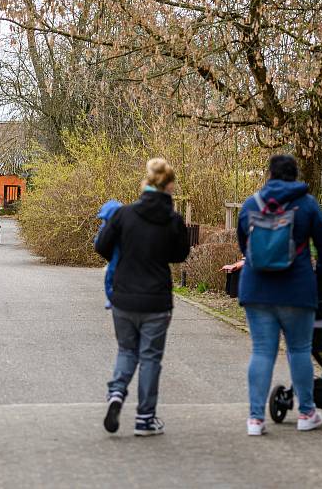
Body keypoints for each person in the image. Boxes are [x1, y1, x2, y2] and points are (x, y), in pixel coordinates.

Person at [237, 154, 322, 436]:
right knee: (300, 349)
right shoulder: (307, 204)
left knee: (261, 351)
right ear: (295, 175)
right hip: (297, 290)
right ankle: (306, 413)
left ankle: (255, 420)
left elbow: (245, 246)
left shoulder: (251, 205)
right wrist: (320, 280)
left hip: (256, 291)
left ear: (270, 174)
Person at [95, 158, 190, 437]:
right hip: (156, 299)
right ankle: (145, 418)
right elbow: (180, 255)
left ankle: (115, 395)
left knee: (127, 351)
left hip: (124, 297)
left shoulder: (124, 215)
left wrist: (124, 253)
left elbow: (101, 246)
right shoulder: (173, 220)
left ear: (147, 183)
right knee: (150, 358)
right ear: (169, 186)